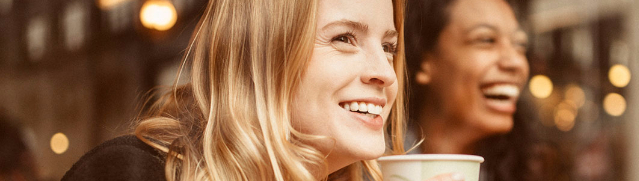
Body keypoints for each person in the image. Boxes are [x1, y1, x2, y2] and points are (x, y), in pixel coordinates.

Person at [62, 0, 410, 180]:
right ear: (263, 55)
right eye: (344, 39)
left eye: (389, 47)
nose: (385, 73)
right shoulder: (130, 174)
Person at [404, 0, 537, 180]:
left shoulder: (514, 171)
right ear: (423, 61)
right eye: (486, 40)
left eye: (520, 45)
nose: (517, 62)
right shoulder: (366, 168)